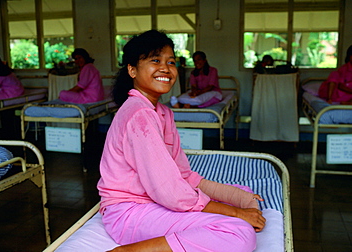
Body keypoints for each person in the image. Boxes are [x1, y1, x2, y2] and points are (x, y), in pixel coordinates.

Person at [97, 30, 266, 252]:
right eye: (155, 60)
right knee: (238, 231)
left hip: (151, 202)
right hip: (129, 213)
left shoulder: (162, 112)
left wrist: (237, 198)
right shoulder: (139, 114)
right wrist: (238, 212)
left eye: (171, 62)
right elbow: (171, 192)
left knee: (240, 190)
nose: (166, 68)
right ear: (132, 70)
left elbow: (183, 176)